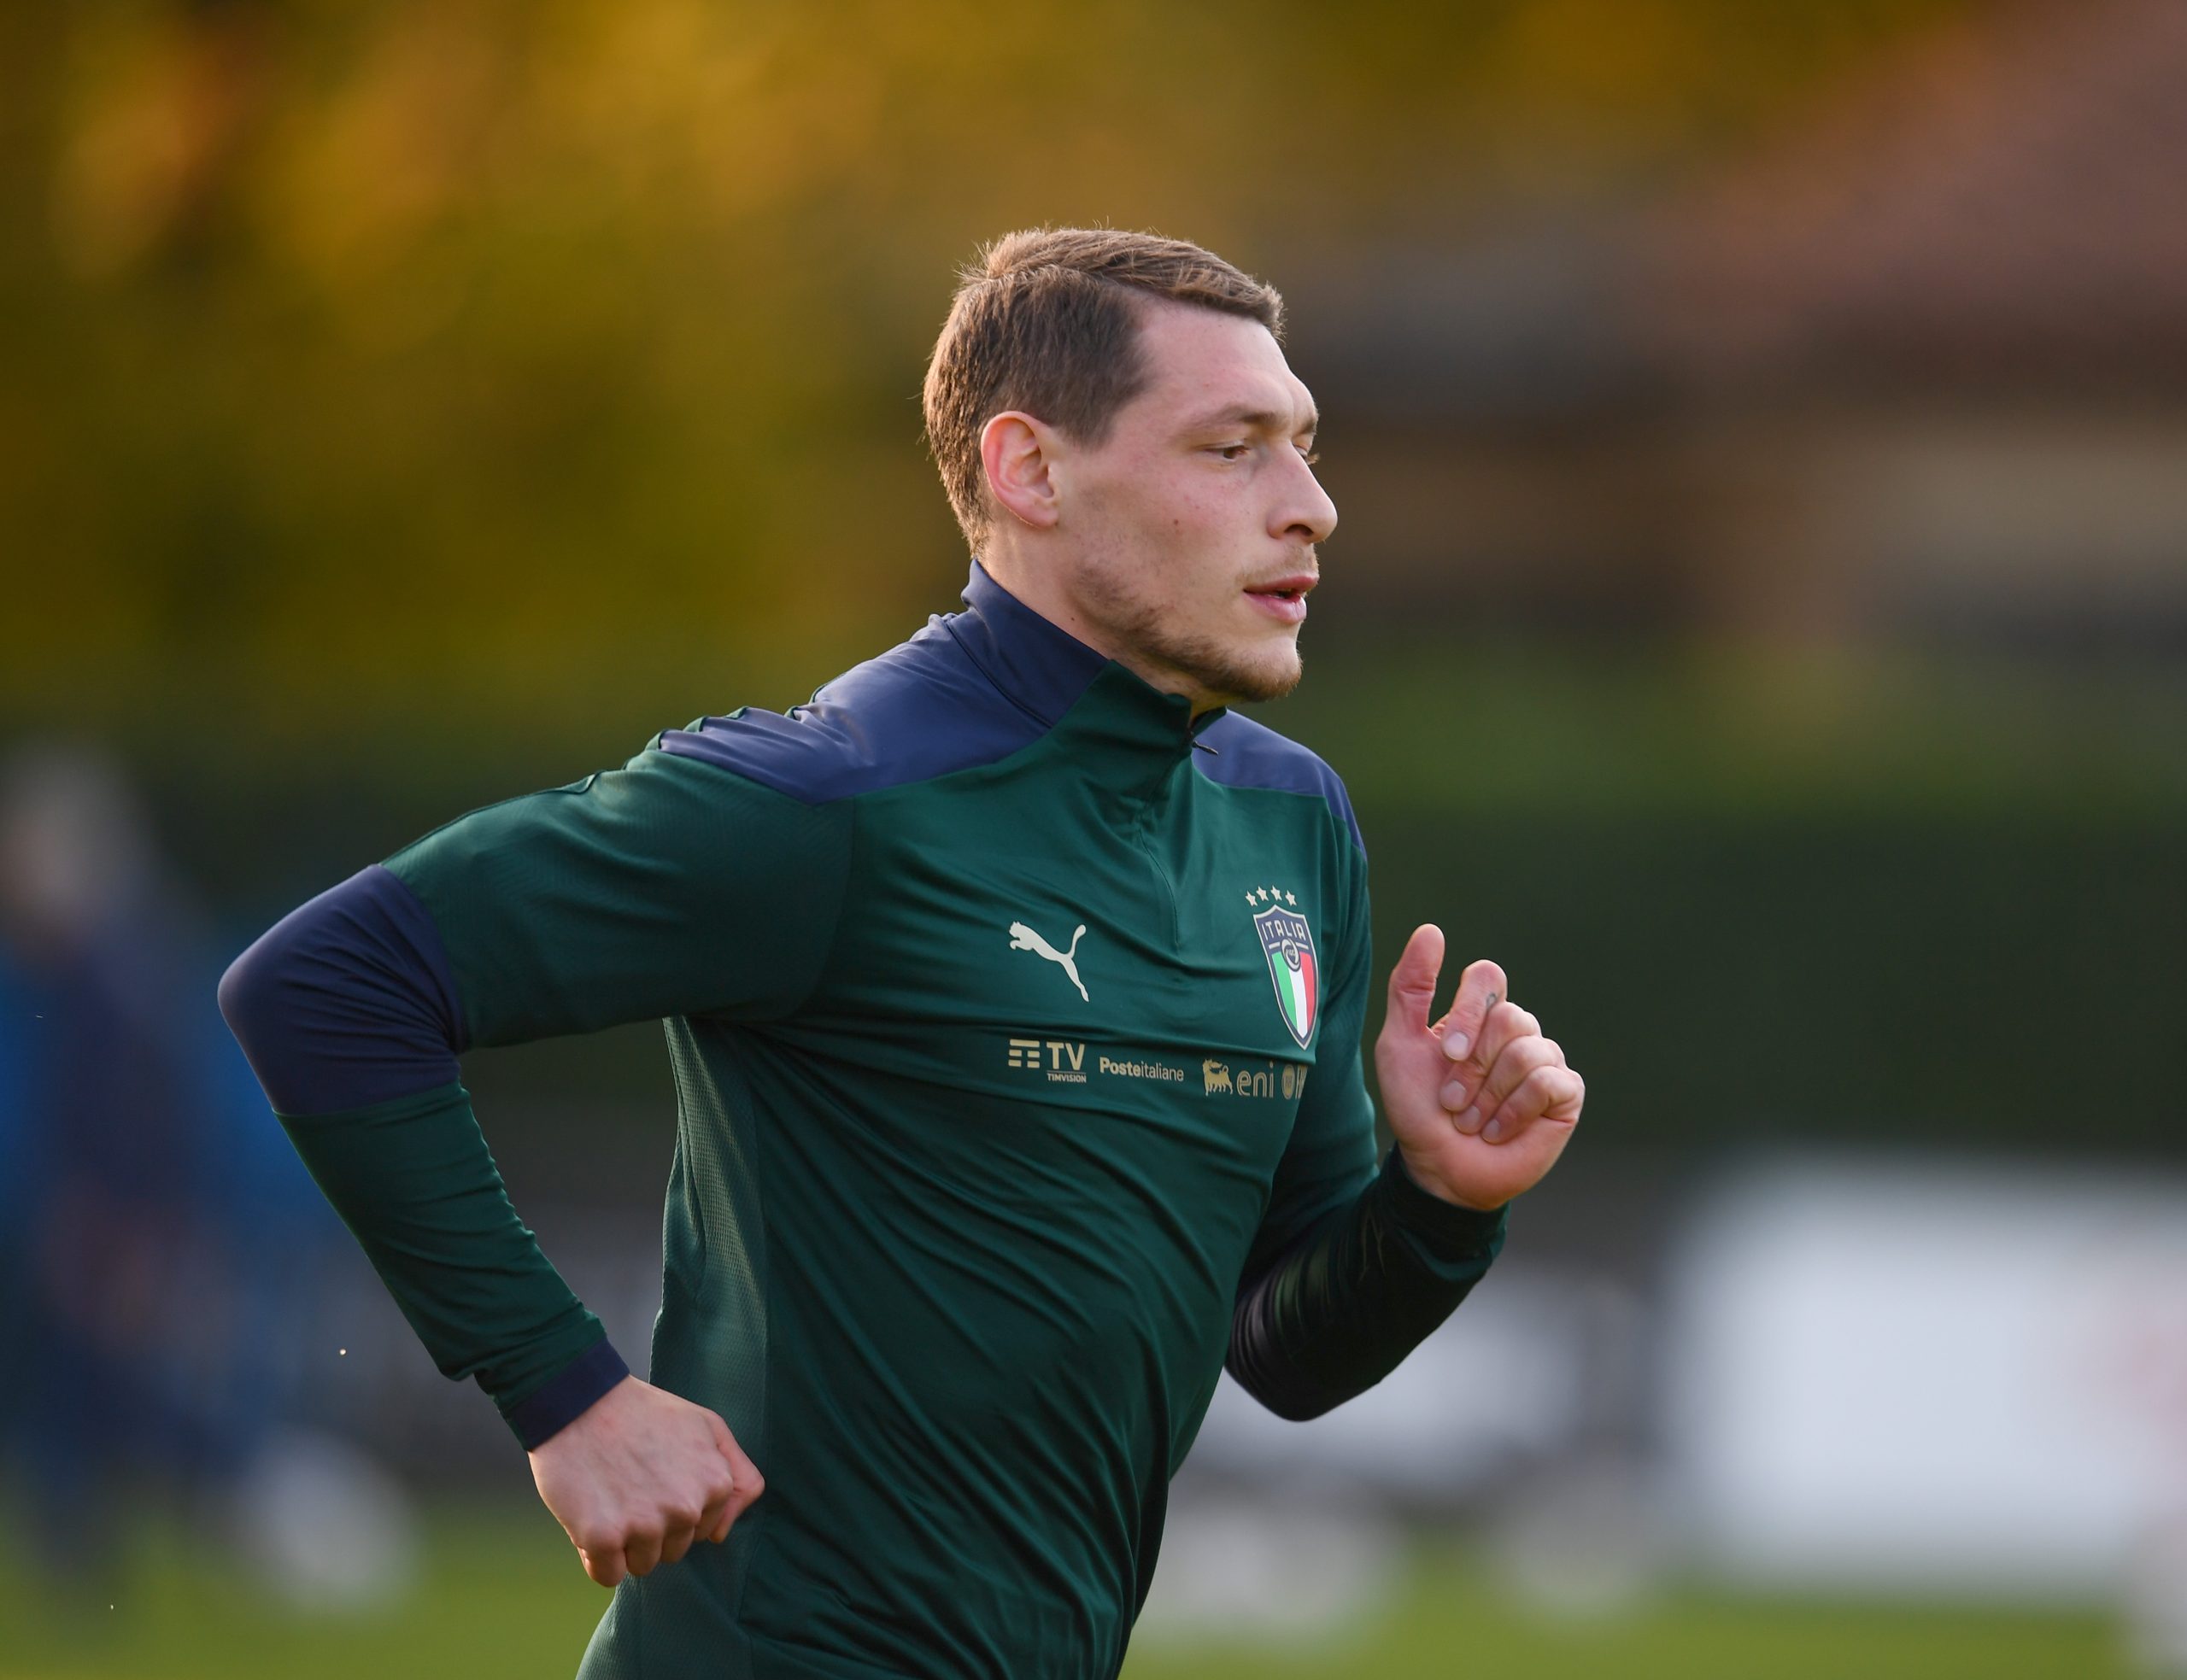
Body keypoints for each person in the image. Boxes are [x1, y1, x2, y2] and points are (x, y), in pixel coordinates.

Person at [218, 226, 1586, 1678]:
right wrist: (564, 1392)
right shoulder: (833, 799)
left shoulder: (1289, 823)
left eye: (1304, 447)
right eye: (1233, 448)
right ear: (1030, 470)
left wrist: (1441, 1205)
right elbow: (325, 986)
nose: (1311, 506)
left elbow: (1286, 1351)